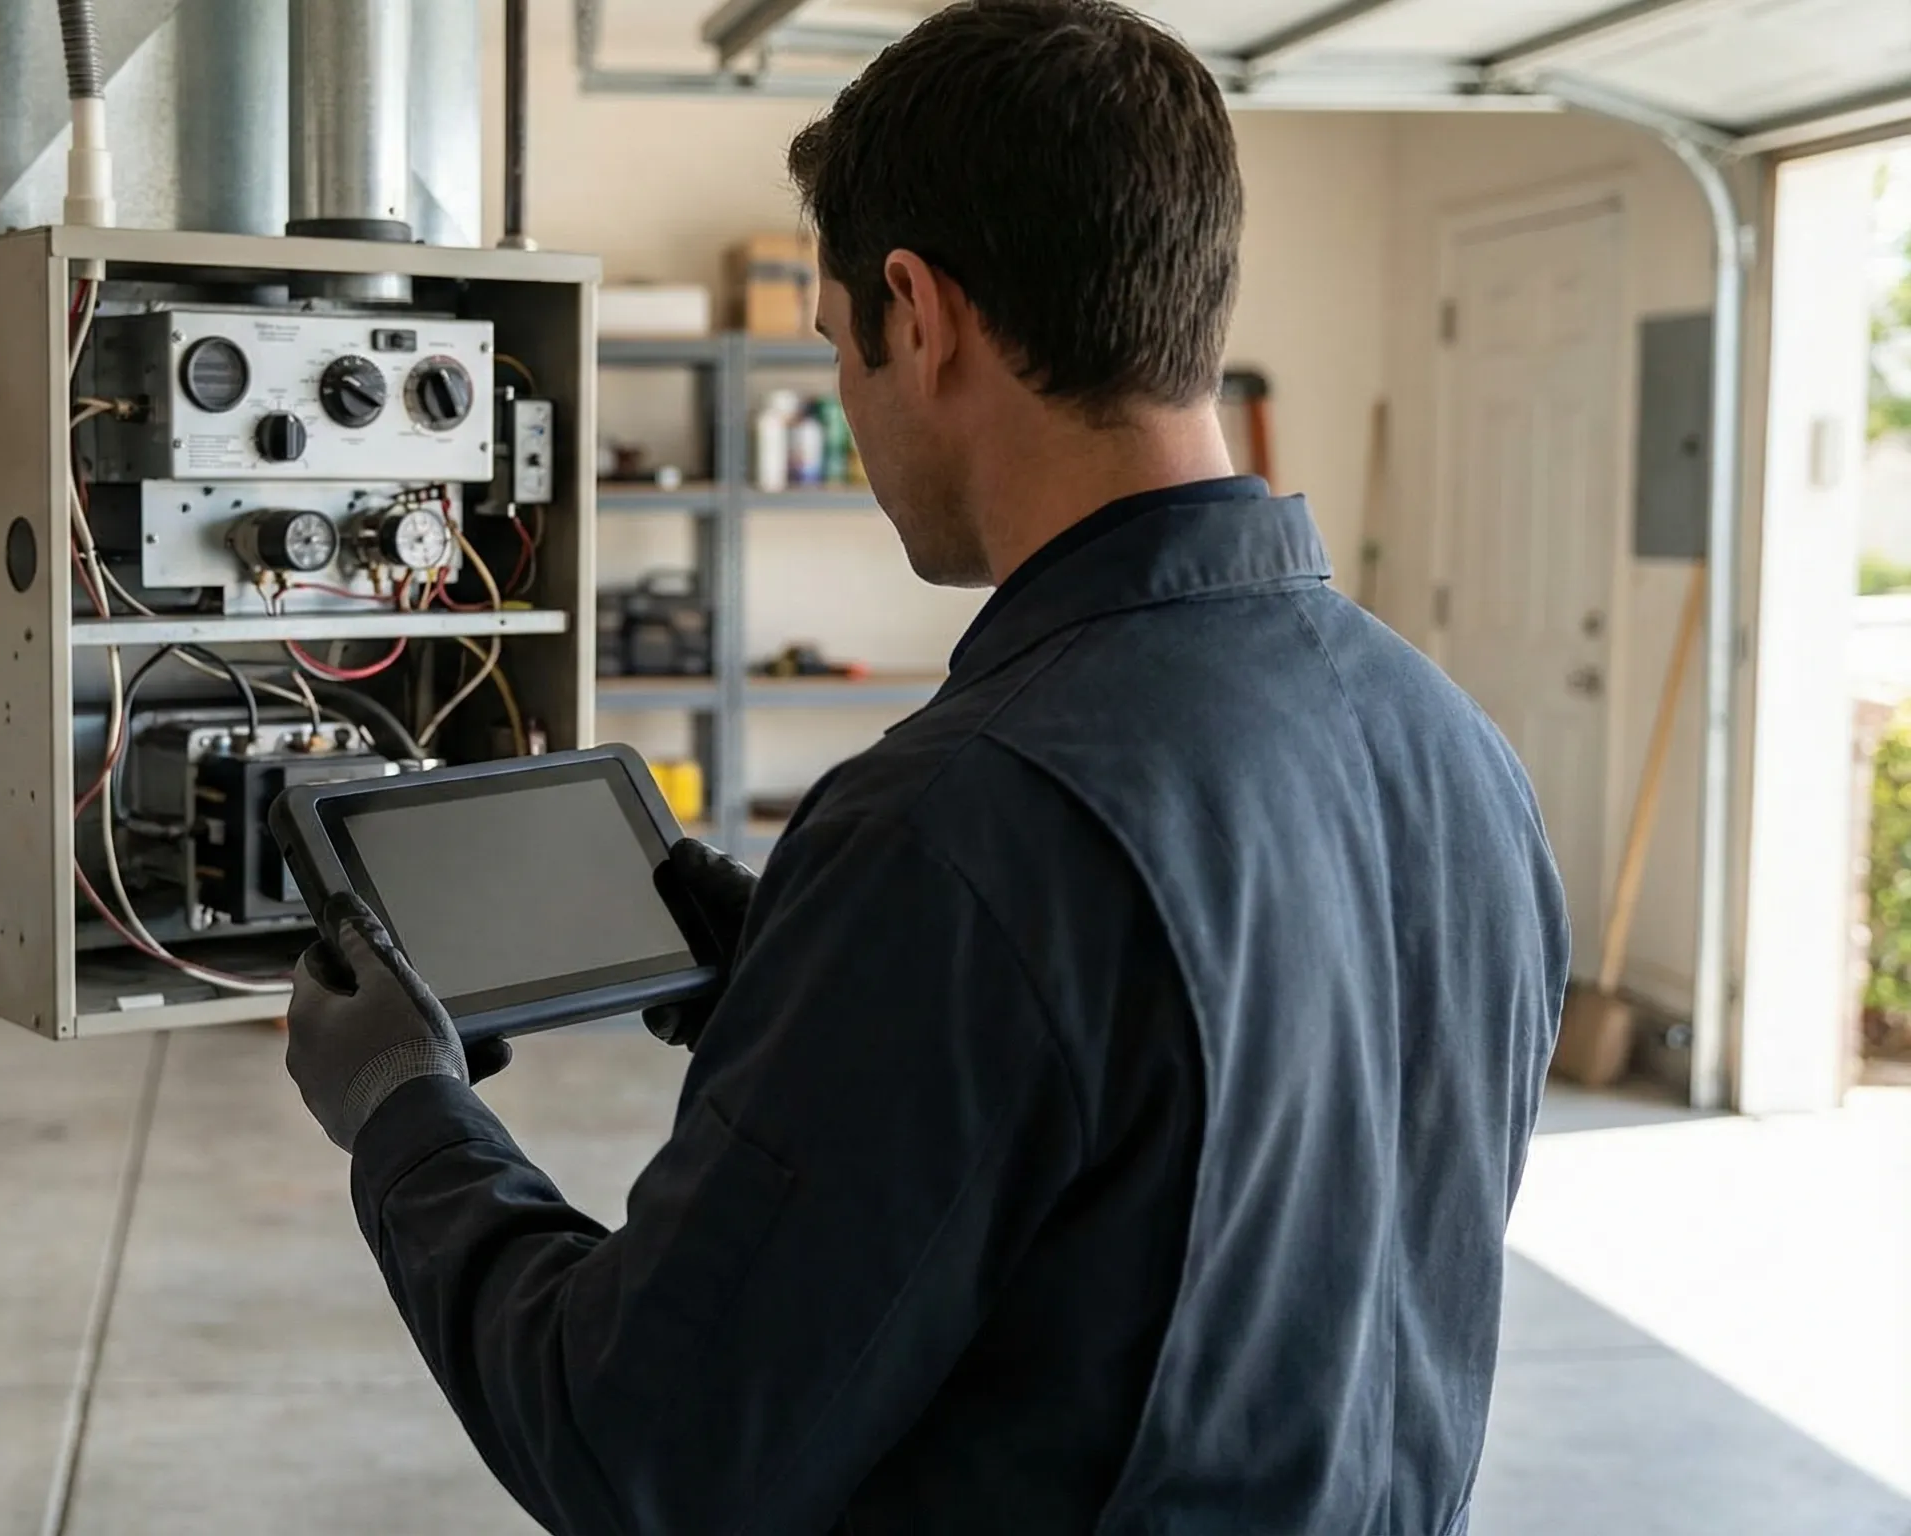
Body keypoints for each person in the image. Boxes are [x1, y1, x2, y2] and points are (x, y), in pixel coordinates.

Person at [281, 1, 1568, 1529]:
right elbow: (1177, 1159)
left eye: (836, 346)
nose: (846, 395)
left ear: (918, 309)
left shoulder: (960, 827)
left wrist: (406, 1116)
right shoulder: (1456, 750)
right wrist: (796, 971)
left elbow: (645, 1449)